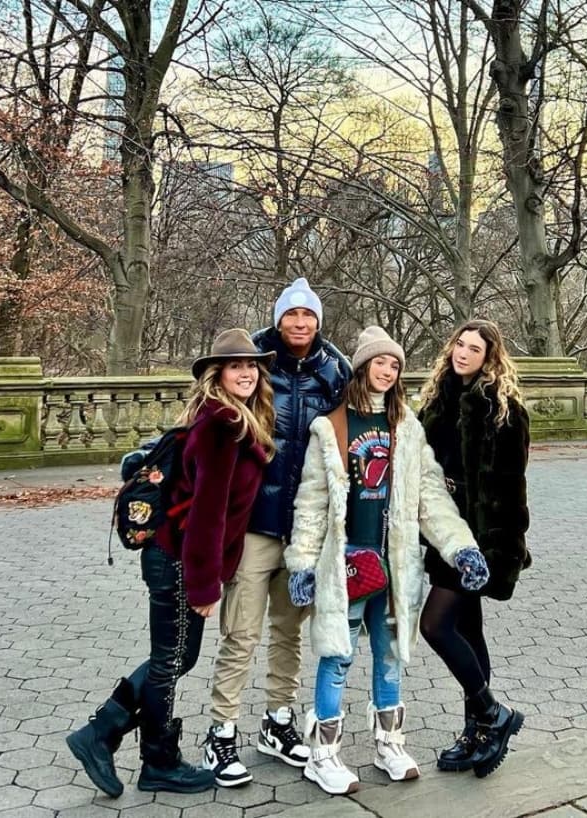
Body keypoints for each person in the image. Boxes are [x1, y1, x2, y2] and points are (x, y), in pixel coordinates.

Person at [65, 328, 277, 797]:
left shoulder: (229, 419)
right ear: (217, 375)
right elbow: (207, 512)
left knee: (176, 657)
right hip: (179, 559)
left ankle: (106, 735)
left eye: (251, 365)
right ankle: (151, 758)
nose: (246, 373)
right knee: (171, 661)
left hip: (176, 558)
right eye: (235, 366)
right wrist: (204, 584)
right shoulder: (222, 426)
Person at [284, 325, 491, 795]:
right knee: (338, 655)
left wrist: (460, 546)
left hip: (393, 565)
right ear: (363, 367)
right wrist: (302, 564)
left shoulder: (407, 428)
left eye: (395, 364)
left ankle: (389, 744)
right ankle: (323, 754)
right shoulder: (331, 427)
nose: (388, 370)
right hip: (346, 565)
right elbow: (312, 503)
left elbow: (429, 498)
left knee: (391, 654)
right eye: (380, 361)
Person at [202, 278, 352, 788]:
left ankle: (278, 721)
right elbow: (212, 414)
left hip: (304, 529)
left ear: (318, 321)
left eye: (309, 315)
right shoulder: (254, 363)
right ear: (279, 318)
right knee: (241, 632)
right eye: (292, 314)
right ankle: (221, 732)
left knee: (289, 631)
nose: (300, 323)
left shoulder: (335, 370)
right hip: (254, 525)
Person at [417, 318, 531, 778]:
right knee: (469, 630)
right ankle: (477, 731)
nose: (463, 353)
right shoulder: (437, 400)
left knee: (435, 625)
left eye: (474, 349)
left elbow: (511, 488)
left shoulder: (502, 409)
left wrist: (502, 550)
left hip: (478, 540)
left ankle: (491, 714)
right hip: (443, 533)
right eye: (459, 345)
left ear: (490, 358)